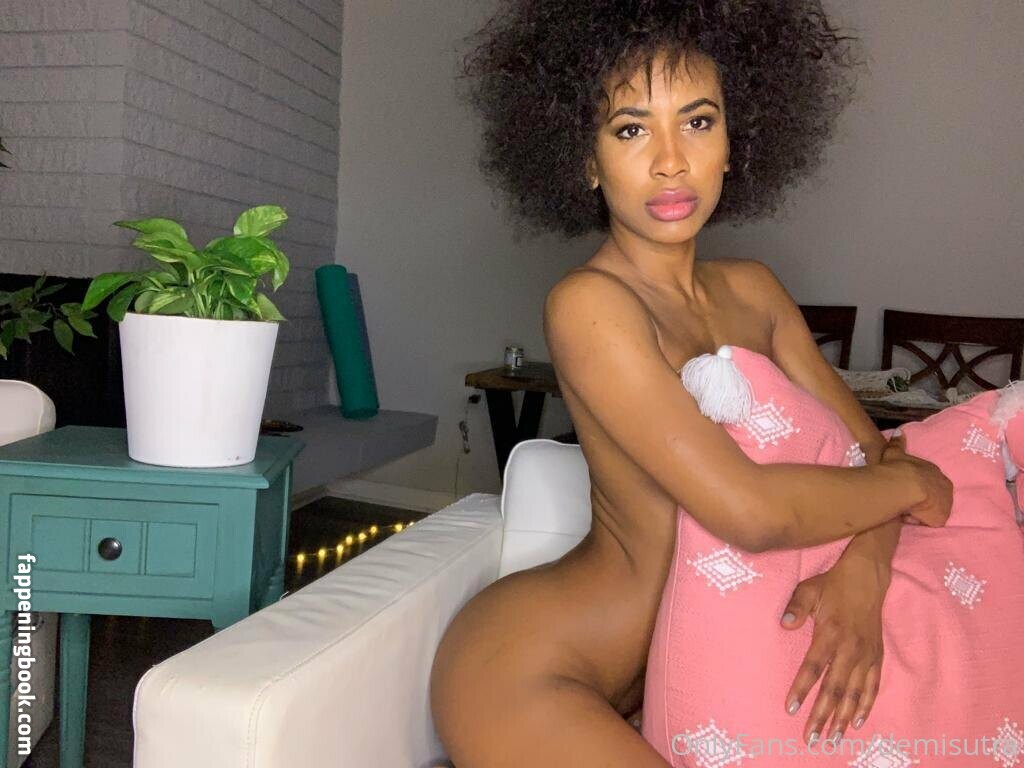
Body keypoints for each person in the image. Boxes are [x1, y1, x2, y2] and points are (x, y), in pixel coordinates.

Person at [430, 2, 1022, 766]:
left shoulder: (755, 291)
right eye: (631, 129)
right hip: (536, 671)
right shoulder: (589, 305)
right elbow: (751, 510)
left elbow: (873, 454)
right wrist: (910, 487)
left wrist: (866, 569)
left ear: (734, 144)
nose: (670, 161)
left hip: (705, 666)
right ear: (586, 160)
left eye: (699, 122)